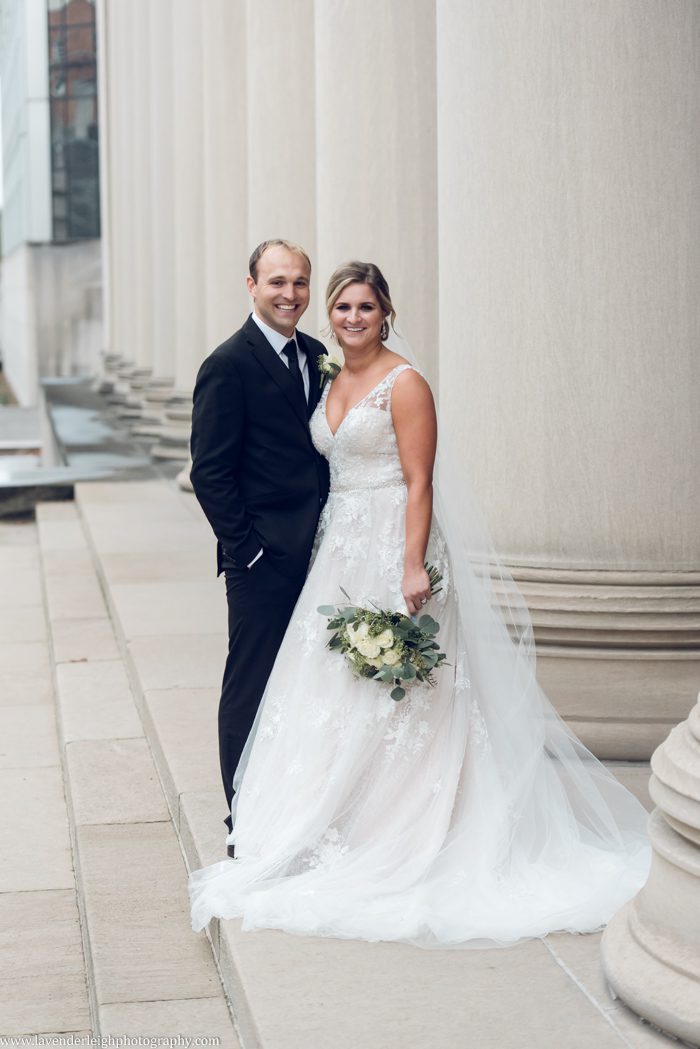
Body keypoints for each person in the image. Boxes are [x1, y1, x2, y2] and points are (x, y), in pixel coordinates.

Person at [189, 261, 650, 947]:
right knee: (329, 687)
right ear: (258, 287)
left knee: (409, 696)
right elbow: (227, 464)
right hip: (332, 549)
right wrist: (253, 549)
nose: (350, 317)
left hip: (392, 546)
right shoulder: (322, 371)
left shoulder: (405, 384)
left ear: (386, 312)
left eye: (364, 306)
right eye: (342, 306)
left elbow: (419, 480)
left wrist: (411, 564)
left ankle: (405, 827)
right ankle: (292, 820)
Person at [189, 240, 329, 851]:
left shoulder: (319, 354)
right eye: (276, 282)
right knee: (252, 685)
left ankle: (297, 805)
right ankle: (243, 818)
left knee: (309, 683)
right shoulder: (228, 364)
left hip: (324, 552)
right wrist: (245, 551)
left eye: (299, 283)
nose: (289, 294)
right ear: (251, 285)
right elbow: (210, 472)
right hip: (262, 559)